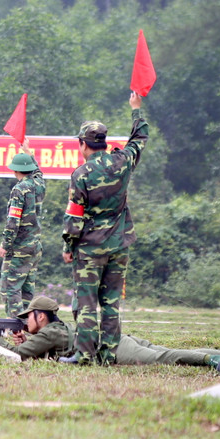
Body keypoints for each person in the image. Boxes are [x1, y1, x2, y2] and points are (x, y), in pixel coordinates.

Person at [62, 91, 149, 366]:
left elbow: (74, 216)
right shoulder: (123, 162)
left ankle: (84, 354)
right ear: (103, 143)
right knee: (111, 303)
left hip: (89, 248)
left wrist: (68, 246)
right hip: (119, 245)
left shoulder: (81, 174)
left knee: (86, 302)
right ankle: (108, 355)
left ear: (82, 144)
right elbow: (140, 139)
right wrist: (136, 109)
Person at [0, 296, 220, 371]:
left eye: (27, 317)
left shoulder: (50, 332)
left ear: (40, 316)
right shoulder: (55, 329)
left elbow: (17, 354)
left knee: (166, 357)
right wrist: (30, 340)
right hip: (116, 341)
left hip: (116, 349)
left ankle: (211, 360)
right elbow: (45, 347)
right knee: (165, 351)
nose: (24, 322)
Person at [0, 142, 45, 317]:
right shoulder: (39, 184)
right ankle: (28, 325)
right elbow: (39, 172)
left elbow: (13, 222)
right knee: (27, 289)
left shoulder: (19, 190)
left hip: (19, 248)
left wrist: (4, 245)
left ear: (15, 170)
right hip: (35, 247)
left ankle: (15, 326)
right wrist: (29, 153)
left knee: (10, 288)